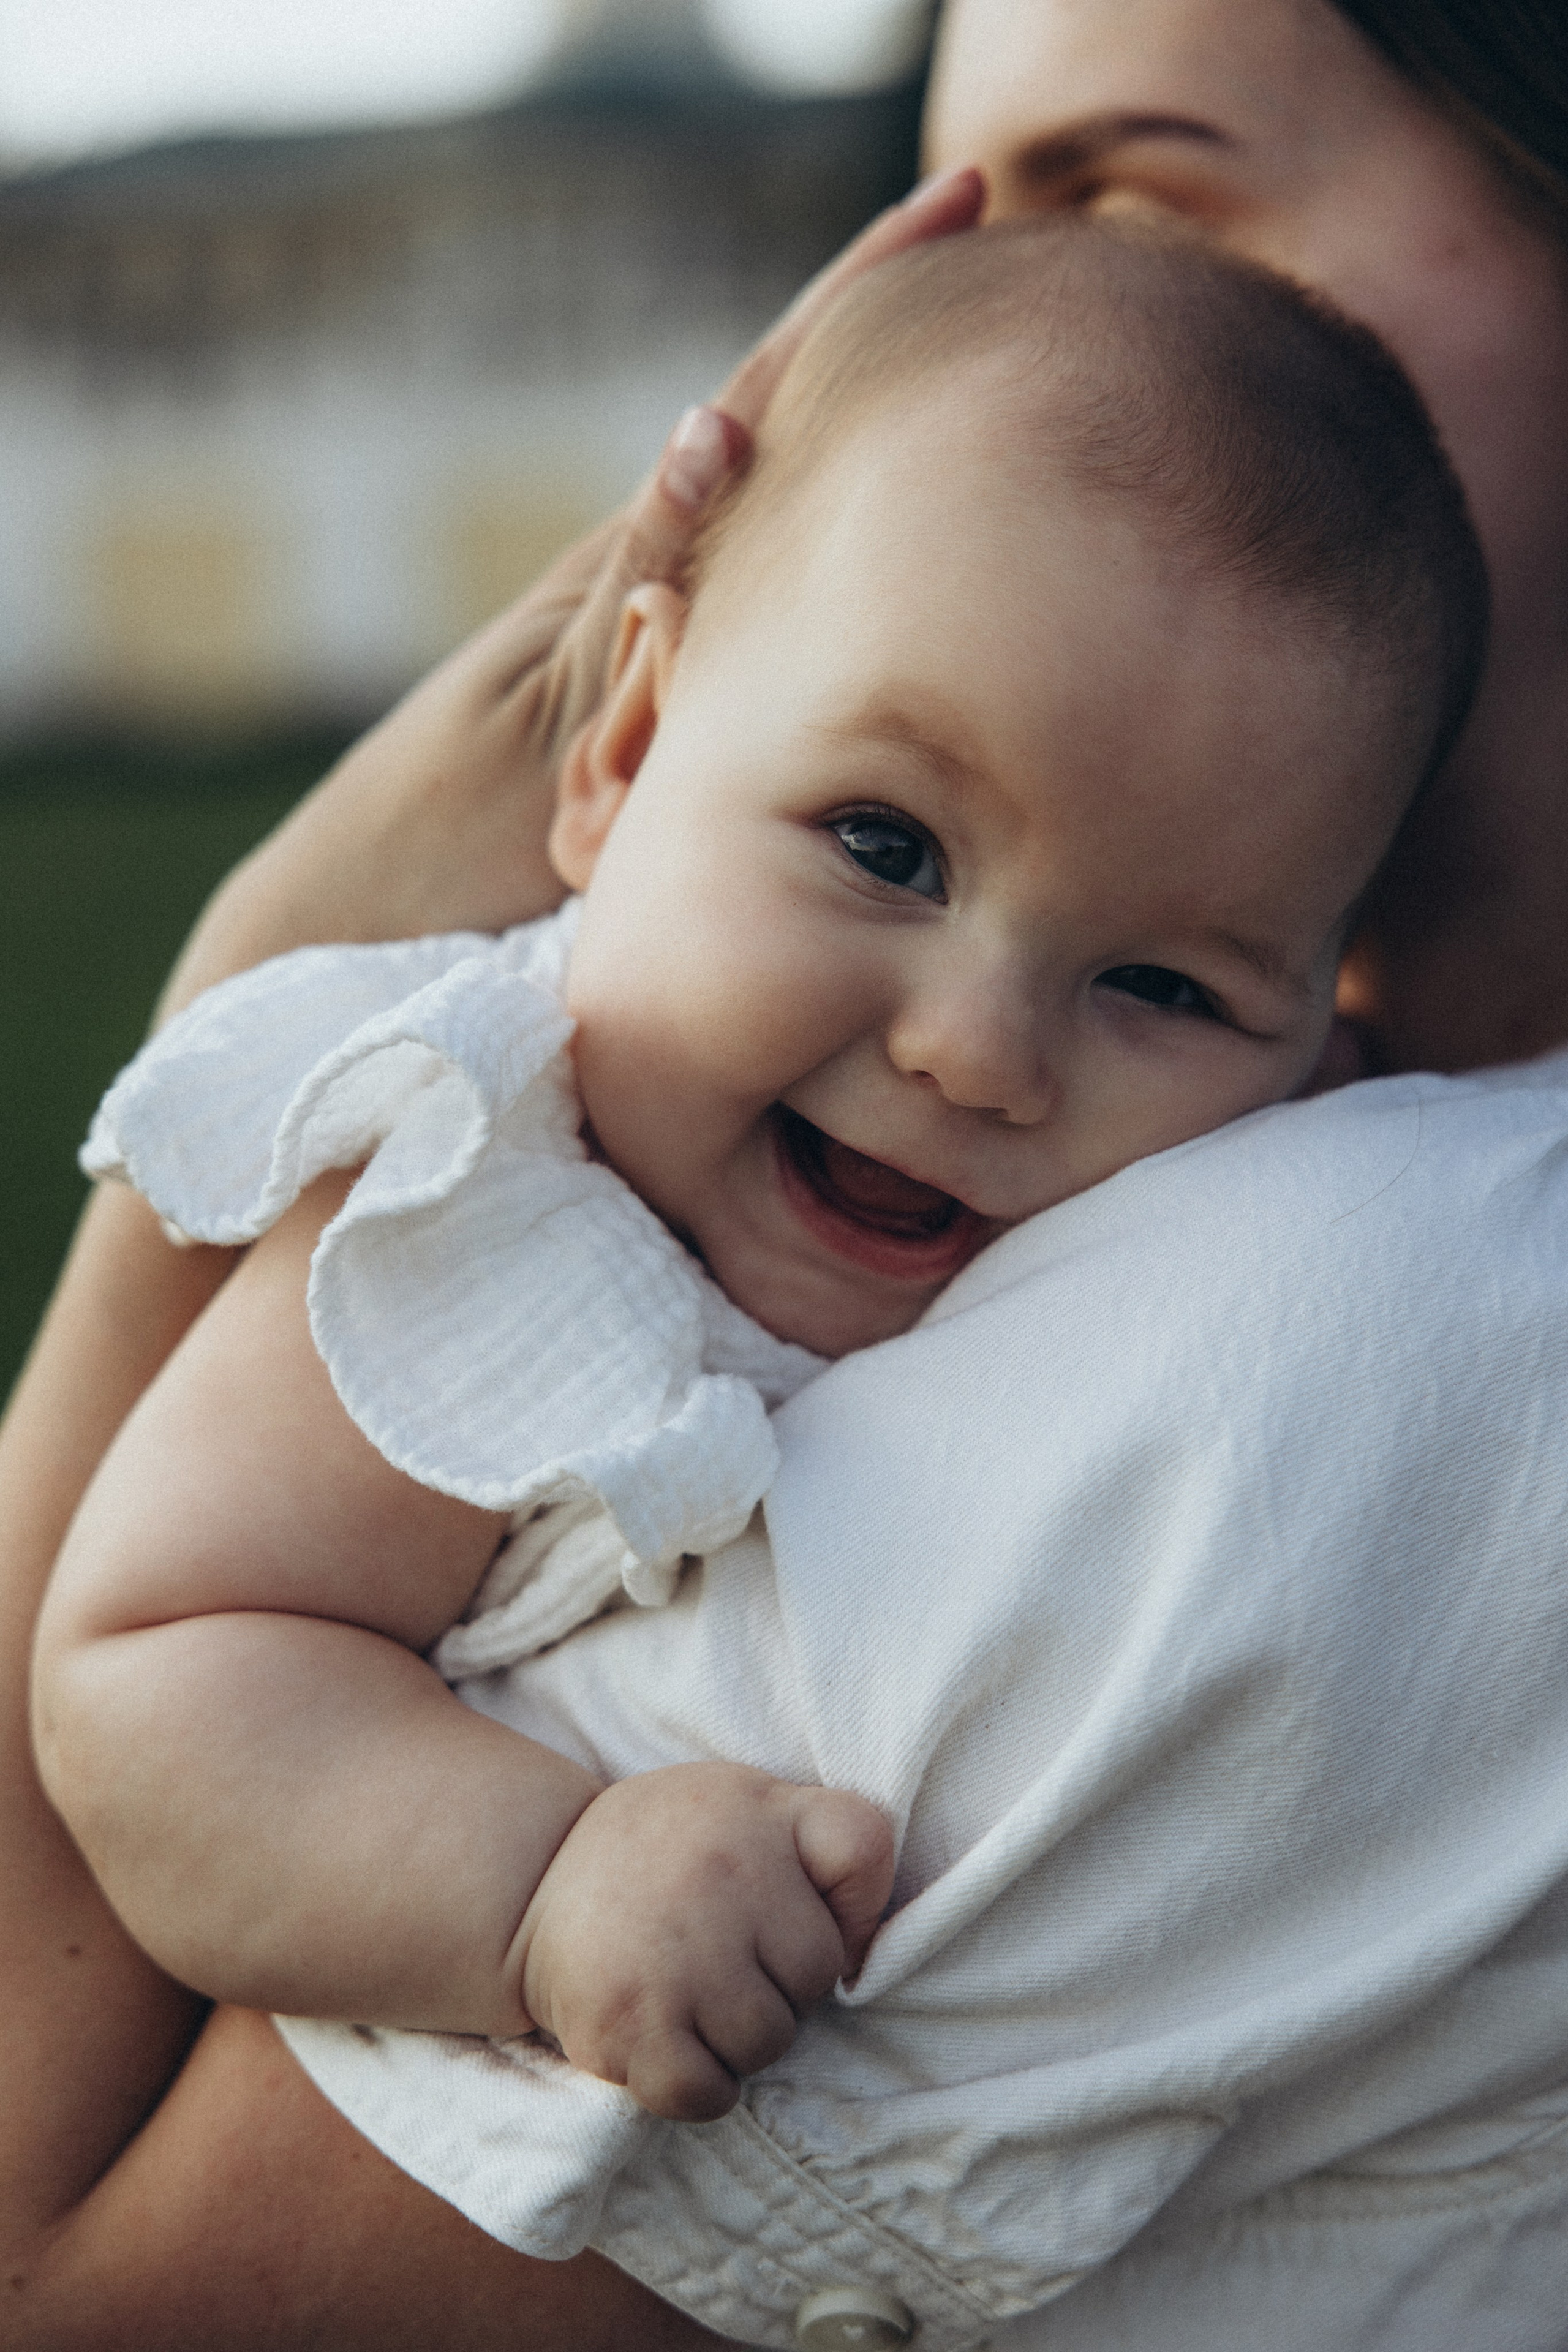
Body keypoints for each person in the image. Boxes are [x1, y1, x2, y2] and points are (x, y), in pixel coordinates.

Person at [2, 2, 1566, 2345]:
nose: (976, 1052)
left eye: (1166, 985)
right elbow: (157, 1666)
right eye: (879, 839)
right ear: (622, 742)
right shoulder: (484, 1210)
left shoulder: (1360, 1320)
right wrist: (536, 1884)